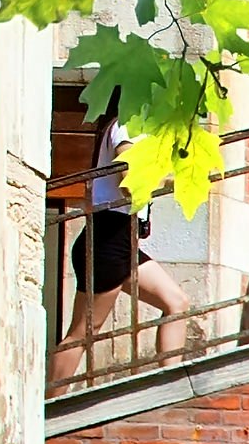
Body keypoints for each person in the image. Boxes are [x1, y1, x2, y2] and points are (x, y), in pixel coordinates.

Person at [65, 150, 191, 366]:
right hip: (109, 238)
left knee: (176, 302)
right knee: (83, 332)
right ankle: (51, 399)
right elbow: (129, 186)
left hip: (122, 239)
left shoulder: (137, 131)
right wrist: (173, 178)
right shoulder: (127, 127)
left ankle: (172, 385)